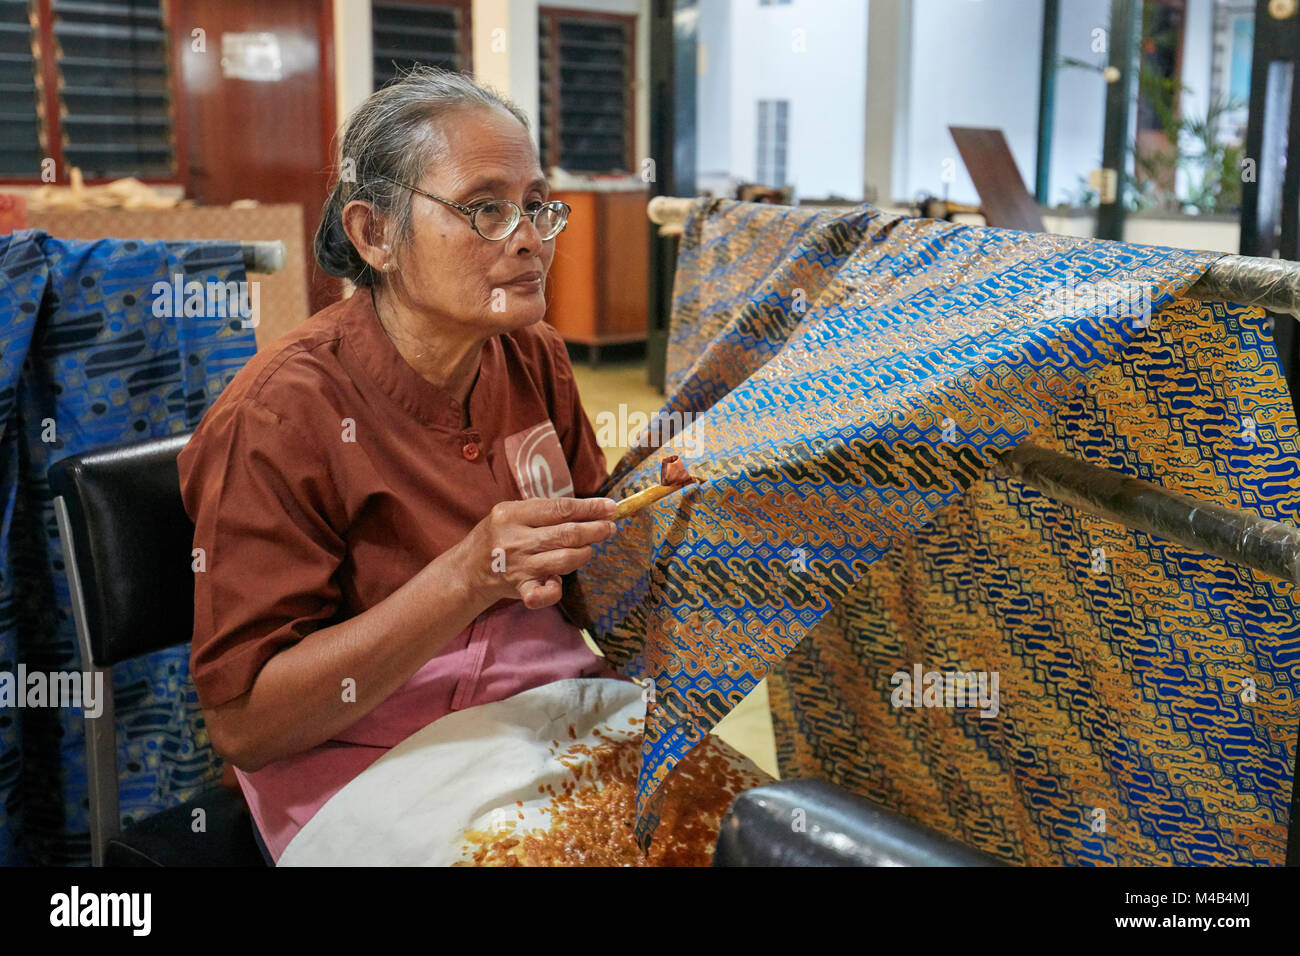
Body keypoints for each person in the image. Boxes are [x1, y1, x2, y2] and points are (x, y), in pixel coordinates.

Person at [177, 66, 623, 865]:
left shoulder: (534, 359)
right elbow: (246, 722)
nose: (528, 238)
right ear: (374, 234)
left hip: (544, 715)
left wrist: (665, 509)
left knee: (735, 825)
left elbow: (597, 584)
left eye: (534, 206)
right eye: (485, 208)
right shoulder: (281, 415)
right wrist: (467, 575)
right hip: (368, 764)